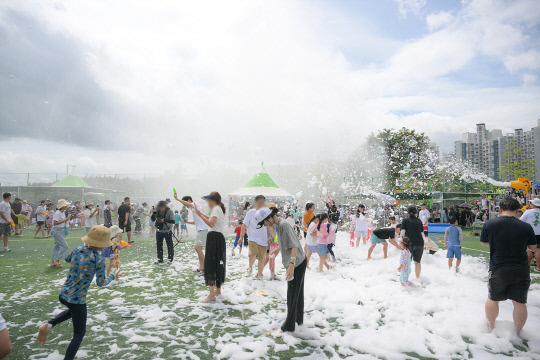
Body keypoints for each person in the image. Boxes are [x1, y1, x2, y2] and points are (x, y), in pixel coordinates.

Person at [37, 225, 122, 360]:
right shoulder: (98, 259)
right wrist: (112, 276)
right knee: (79, 334)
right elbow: (101, 283)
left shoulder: (78, 250)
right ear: (102, 245)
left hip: (64, 294)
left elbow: (67, 259)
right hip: (77, 299)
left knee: (73, 312)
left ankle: (49, 325)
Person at [481, 196, 536, 335]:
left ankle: (491, 328)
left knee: (493, 298)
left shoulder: (490, 224)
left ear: (500, 210)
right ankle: (517, 333)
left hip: (498, 268)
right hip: (521, 268)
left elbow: (484, 242)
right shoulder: (526, 227)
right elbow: (533, 247)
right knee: (519, 302)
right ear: (517, 211)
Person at [256, 206, 306, 333]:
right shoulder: (279, 225)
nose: (266, 225)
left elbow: (294, 245)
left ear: (269, 218)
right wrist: (278, 249)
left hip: (297, 262)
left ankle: (289, 327)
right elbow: (288, 241)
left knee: (292, 294)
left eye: (265, 222)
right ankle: (298, 320)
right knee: (298, 293)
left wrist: (291, 266)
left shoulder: (283, 225)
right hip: (298, 261)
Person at [194, 192, 227, 303]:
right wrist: (200, 214)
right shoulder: (219, 208)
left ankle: (212, 294)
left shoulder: (216, 208)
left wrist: (201, 217)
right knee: (219, 263)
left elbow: (211, 223)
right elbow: (212, 219)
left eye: (209, 200)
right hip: (219, 238)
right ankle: (218, 290)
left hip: (214, 238)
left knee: (210, 265)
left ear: (213, 200)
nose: (208, 203)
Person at [174, 193, 209, 274]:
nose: (186, 206)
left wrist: (177, 199)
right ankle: (202, 267)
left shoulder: (195, 204)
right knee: (199, 249)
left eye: (185, 203)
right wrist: (188, 222)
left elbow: (187, 204)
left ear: (189, 201)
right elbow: (197, 221)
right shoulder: (194, 208)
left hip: (203, 230)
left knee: (197, 248)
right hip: (202, 230)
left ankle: (203, 268)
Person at [239, 195, 268, 280]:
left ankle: (259, 275)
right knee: (253, 254)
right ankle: (250, 266)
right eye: (259, 202)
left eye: (263, 202)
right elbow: (244, 225)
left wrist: (273, 236)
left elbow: (269, 225)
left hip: (263, 239)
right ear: (256, 202)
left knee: (261, 258)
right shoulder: (251, 212)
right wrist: (241, 237)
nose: (261, 204)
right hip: (253, 238)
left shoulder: (266, 212)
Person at [400, 206, 424, 279]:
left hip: (409, 244)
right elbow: (422, 233)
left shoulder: (405, 220)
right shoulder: (419, 221)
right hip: (420, 243)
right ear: (416, 212)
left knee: (406, 262)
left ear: (407, 212)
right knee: (417, 262)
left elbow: (402, 233)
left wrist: (401, 243)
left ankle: (405, 279)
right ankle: (417, 278)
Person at [51, 199, 74, 268]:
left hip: (61, 230)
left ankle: (53, 261)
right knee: (64, 246)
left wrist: (67, 220)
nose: (66, 207)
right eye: (65, 205)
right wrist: (65, 220)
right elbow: (54, 223)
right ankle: (57, 260)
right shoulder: (57, 213)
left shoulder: (62, 212)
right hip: (57, 230)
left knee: (57, 246)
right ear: (62, 206)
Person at [520, 197, 540, 271]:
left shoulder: (528, 212)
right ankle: (538, 267)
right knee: (538, 250)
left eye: (531, 203)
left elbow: (521, 221)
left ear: (534, 204)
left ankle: (527, 267)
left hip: (530, 233)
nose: (530, 204)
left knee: (528, 250)